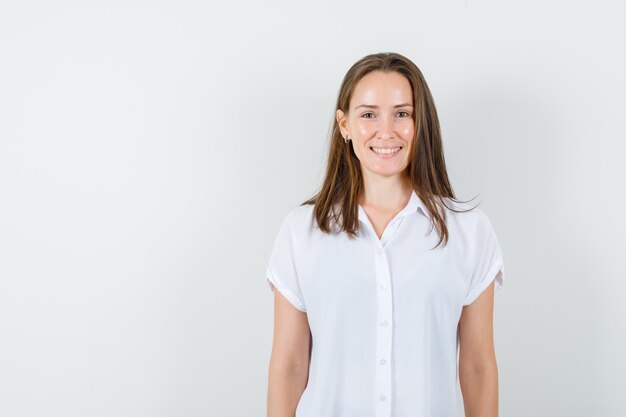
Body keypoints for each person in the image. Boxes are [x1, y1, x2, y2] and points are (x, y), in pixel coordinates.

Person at [265, 52, 505, 417]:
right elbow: (290, 366)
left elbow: (477, 367)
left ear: (420, 123)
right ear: (344, 126)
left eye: (402, 113)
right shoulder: (302, 232)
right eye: (368, 114)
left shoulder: (469, 231)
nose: (386, 131)